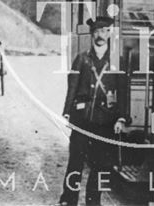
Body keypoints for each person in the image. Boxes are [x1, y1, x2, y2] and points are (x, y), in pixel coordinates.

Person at [58, 16, 127, 206]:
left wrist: (121, 118)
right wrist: (67, 111)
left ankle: (93, 201)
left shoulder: (117, 61)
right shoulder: (81, 59)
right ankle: (69, 199)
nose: (100, 35)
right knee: (76, 161)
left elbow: (123, 92)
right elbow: (72, 86)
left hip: (105, 121)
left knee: (101, 164)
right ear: (91, 34)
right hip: (82, 119)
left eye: (105, 31)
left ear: (110, 34)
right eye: (97, 31)